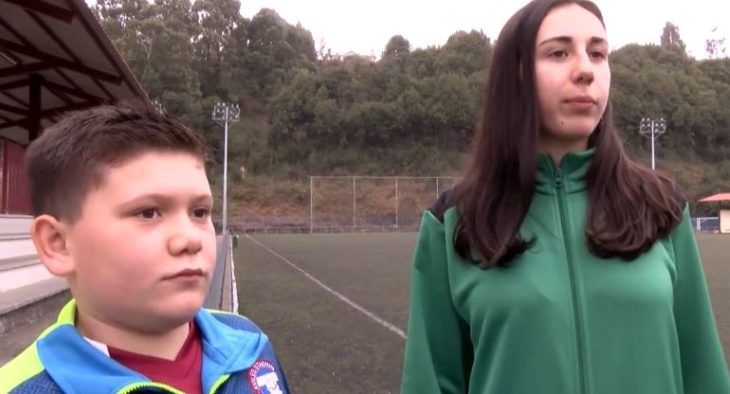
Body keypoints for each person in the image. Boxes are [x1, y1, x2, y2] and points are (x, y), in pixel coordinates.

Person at [401, 1, 730, 393]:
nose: (585, 70)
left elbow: (703, 375)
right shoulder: (454, 224)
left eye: (598, 53)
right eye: (558, 52)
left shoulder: (662, 210)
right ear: (516, 75)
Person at [0, 103, 289, 394]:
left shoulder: (249, 342)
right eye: (148, 213)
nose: (190, 239)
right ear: (58, 245)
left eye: (200, 212)